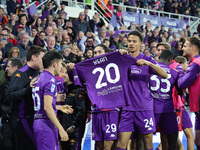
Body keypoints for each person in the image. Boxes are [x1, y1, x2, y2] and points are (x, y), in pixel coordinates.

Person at [73, 44, 139, 150]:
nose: (97, 54)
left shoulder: (115, 63)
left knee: (108, 147)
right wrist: (70, 69)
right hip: (96, 111)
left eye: (100, 52)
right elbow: (76, 81)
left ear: (106, 54)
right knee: (98, 147)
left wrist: (122, 53)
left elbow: (130, 64)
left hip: (112, 111)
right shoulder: (88, 68)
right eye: (95, 52)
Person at [116, 30, 167, 150]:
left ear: (140, 44)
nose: (131, 44)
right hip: (127, 108)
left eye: (134, 41)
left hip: (144, 108)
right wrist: (117, 54)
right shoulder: (122, 58)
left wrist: (149, 64)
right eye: (129, 41)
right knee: (121, 144)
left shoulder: (146, 59)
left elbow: (165, 75)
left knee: (147, 143)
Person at [5, 45, 46, 150]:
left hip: (33, 117)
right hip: (21, 118)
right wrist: (28, 88)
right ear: (33, 57)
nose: (43, 61)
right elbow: (9, 96)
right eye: (42, 58)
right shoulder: (20, 74)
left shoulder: (37, 73)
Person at [32, 51, 71, 149]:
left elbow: (43, 104)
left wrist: (59, 107)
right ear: (55, 64)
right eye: (61, 64)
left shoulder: (38, 78)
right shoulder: (50, 80)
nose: (61, 67)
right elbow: (47, 107)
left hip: (40, 123)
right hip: (46, 124)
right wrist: (61, 129)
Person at [149, 50, 179, 150]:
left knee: (144, 139)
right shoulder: (175, 73)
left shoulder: (149, 68)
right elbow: (180, 92)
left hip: (151, 109)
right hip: (168, 109)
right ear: (169, 60)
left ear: (159, 57)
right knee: (172, 141)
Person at [178, 37, 200, 150]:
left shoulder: (195, 64)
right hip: (197, 108)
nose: (182, 48)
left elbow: (182, 84)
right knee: (197, 140)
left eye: (185, 46)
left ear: (192, 48)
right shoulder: (196, 62)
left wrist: (179, 71)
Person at [0, 58, 23, 150]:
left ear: (15, 68)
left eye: (8, 66)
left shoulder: (23, 82)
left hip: (19, 121)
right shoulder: (4, 82)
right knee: (7, 146)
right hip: (7, 121)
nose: (6, 69)